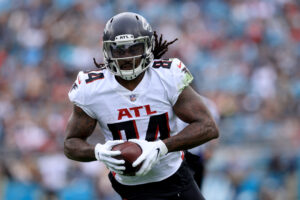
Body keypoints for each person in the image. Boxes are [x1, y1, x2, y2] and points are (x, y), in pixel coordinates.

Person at [64, 12, 219, 200]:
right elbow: (70, 144)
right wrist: (98, 152)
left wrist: (161, 147)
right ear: (107, 51)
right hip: (130, 186)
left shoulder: (168, 76)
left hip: (173, 176)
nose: (127, 57)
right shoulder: (91, 88)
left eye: (133, 49)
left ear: (148, 47)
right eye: (119, 50)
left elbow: (208, 127)